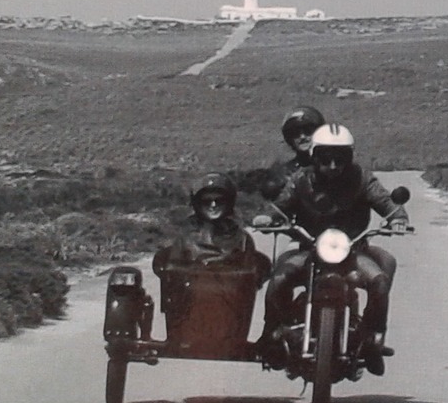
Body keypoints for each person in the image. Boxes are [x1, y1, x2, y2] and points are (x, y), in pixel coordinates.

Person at [257, 124, 408, 375]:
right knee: (279, 279)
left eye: (341, 159)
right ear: (315, 157)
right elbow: (280, 206)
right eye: (326, 159)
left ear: (349, 158)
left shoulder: (362, 178)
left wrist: (398, 217)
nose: (334, 166)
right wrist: (268, 218)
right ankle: (273, 334)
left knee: (379, 281)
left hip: (353, 251)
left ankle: (373, 339)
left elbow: (384, 200)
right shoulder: (300, 180)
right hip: (310, 249)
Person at [153, 173, 271, 344]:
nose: (213, 205)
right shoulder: (185, 235)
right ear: (197, 203)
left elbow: (255, 273)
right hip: (189, 311)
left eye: (219, 200)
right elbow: (169, 269)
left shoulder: (242, 238)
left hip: (229, 315)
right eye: (207, 200)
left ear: (229, 203)